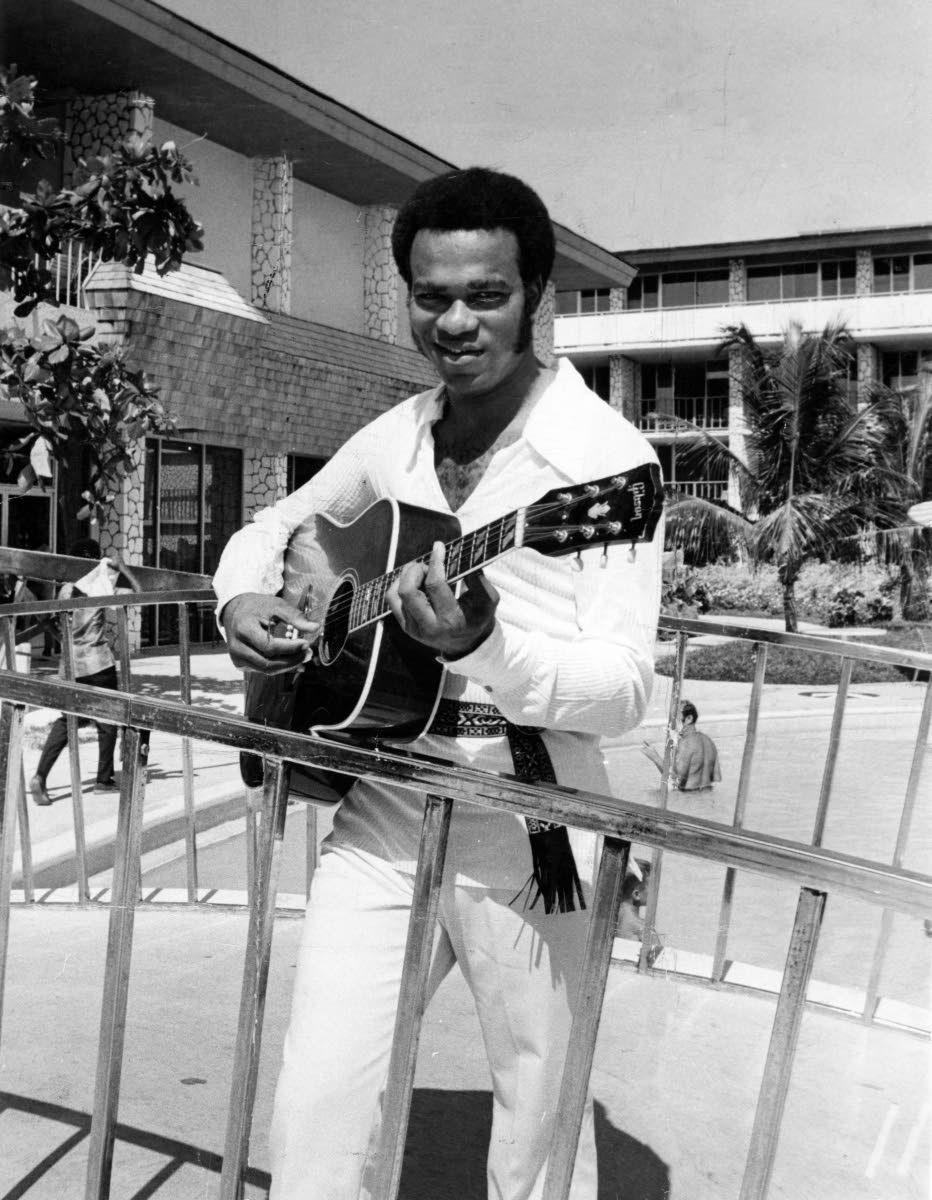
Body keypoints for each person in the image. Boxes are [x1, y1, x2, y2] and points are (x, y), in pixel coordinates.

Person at [213, 166, 663, 1200]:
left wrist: (484, 649)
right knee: (319, 1096)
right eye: (431, 296)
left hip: (527, 815)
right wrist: (242, 600)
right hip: (381, 796)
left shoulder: (601, 462)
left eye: (485, 295)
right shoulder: (402, 431)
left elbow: (622, 686)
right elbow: (271, 528)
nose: (455, 322)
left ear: (537, 294)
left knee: (534, 1121)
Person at [29, 538, 120, 806]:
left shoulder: (65, 590)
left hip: (69, 665)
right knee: (108, 722)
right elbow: (121, 571)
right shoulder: (99, 585)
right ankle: (103, 780)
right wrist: (110, 564)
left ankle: (40, 776)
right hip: (98, 662)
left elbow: (56, 624)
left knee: (67, 722)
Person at [642, 699, 721, 792]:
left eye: (675, 717)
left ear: (689, 719)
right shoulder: (701, 740)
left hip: (691, 799)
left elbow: (678, 782)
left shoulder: (690, 743)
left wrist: (655, 758)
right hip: (700, 797)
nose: (671, 723)